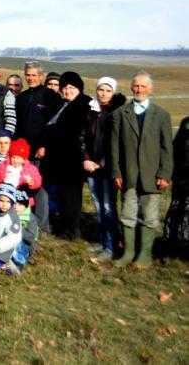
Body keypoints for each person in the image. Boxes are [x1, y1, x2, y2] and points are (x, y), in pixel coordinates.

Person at [111, 71, 173, 268]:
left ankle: (144, 255)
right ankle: (128, 253)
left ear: (150, 89)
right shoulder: (120, 114)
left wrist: (165, 174)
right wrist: (116, 172)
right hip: (127, 174)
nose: (139, 89)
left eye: (143, 86)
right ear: (131, 88)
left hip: (152, 176)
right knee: (127, 215)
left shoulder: (161, 115)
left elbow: (167, 148)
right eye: (136, 86)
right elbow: (114, 147)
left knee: (149, 216)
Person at [15, 61, 63, 233]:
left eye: (34, 75)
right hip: (23, 150)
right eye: (28, 75)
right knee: (23, 184)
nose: (31, 78)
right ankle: (23, 220)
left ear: (41, 76)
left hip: (41, 150)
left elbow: (54, 125)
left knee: (40, 186)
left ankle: (43, 224)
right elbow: (17, 125)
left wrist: (44, 145)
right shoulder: (21, 97)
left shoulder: (51, 96)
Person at [43, 71, 91, 240]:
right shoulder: (63, 104)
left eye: (71, 87)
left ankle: (72, 231)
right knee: (63, 196)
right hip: (60, 160)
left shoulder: (84, 104)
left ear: (79, 88)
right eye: (64, 87)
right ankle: (65, 228)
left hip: (73, 160)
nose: (67, 90)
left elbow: (79, 133)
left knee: (71, 197)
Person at [82, 76, 126, 260]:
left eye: (108, 90)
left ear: (113, 92)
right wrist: (86, 159)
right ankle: (102, 241)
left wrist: (101, 162)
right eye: (101, 89)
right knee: (99, 206)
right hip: (91, 166)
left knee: (108, 207)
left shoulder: (118, 112)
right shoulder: (91, 111)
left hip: (108, 167)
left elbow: (117, 143)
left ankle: (111, 245)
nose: (104, 93)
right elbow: (84, 137)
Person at [161, 116, 189, 261]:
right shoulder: (186, 122)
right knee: (176, 212)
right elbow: (176, 147)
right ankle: (172, 247)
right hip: (181, 179)